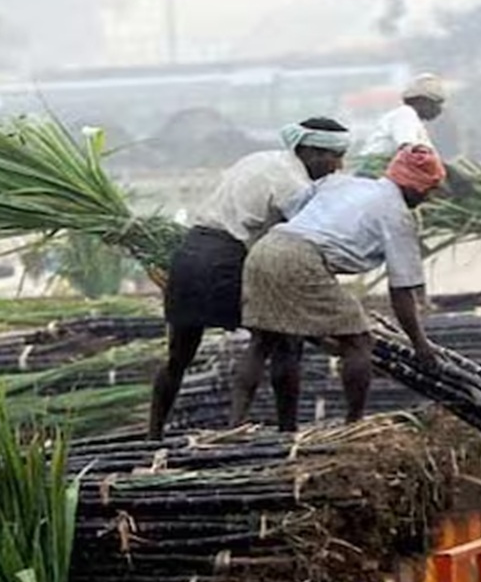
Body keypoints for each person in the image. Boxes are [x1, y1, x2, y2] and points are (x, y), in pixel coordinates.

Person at [146, 118, 351, 438]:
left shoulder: (258, 159)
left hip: (190, 254)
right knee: (279, 340)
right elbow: (302, 241)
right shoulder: (294, 185)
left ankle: (153, 434)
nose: (338, 166)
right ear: (309, 151)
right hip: (228, 259)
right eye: (333, 156)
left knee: (179, 355)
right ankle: (270, 430)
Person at [233, 144, 444, 427]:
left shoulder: (342, 183)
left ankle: (234, 424)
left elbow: (293, 208)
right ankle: (354, 424)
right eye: (429, 190)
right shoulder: (398, 217)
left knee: (262, 340)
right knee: (358, 341)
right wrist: (421, 345)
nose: (428, 197)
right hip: (301, 258)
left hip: (265, 249)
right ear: (416, 186)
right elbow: (402, 292)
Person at [359, 73, 445, 157]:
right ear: (421, 101)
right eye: (436, 103)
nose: (439, 109)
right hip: (376, 168)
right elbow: (408, 149)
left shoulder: (416, 123)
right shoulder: (405, 114)